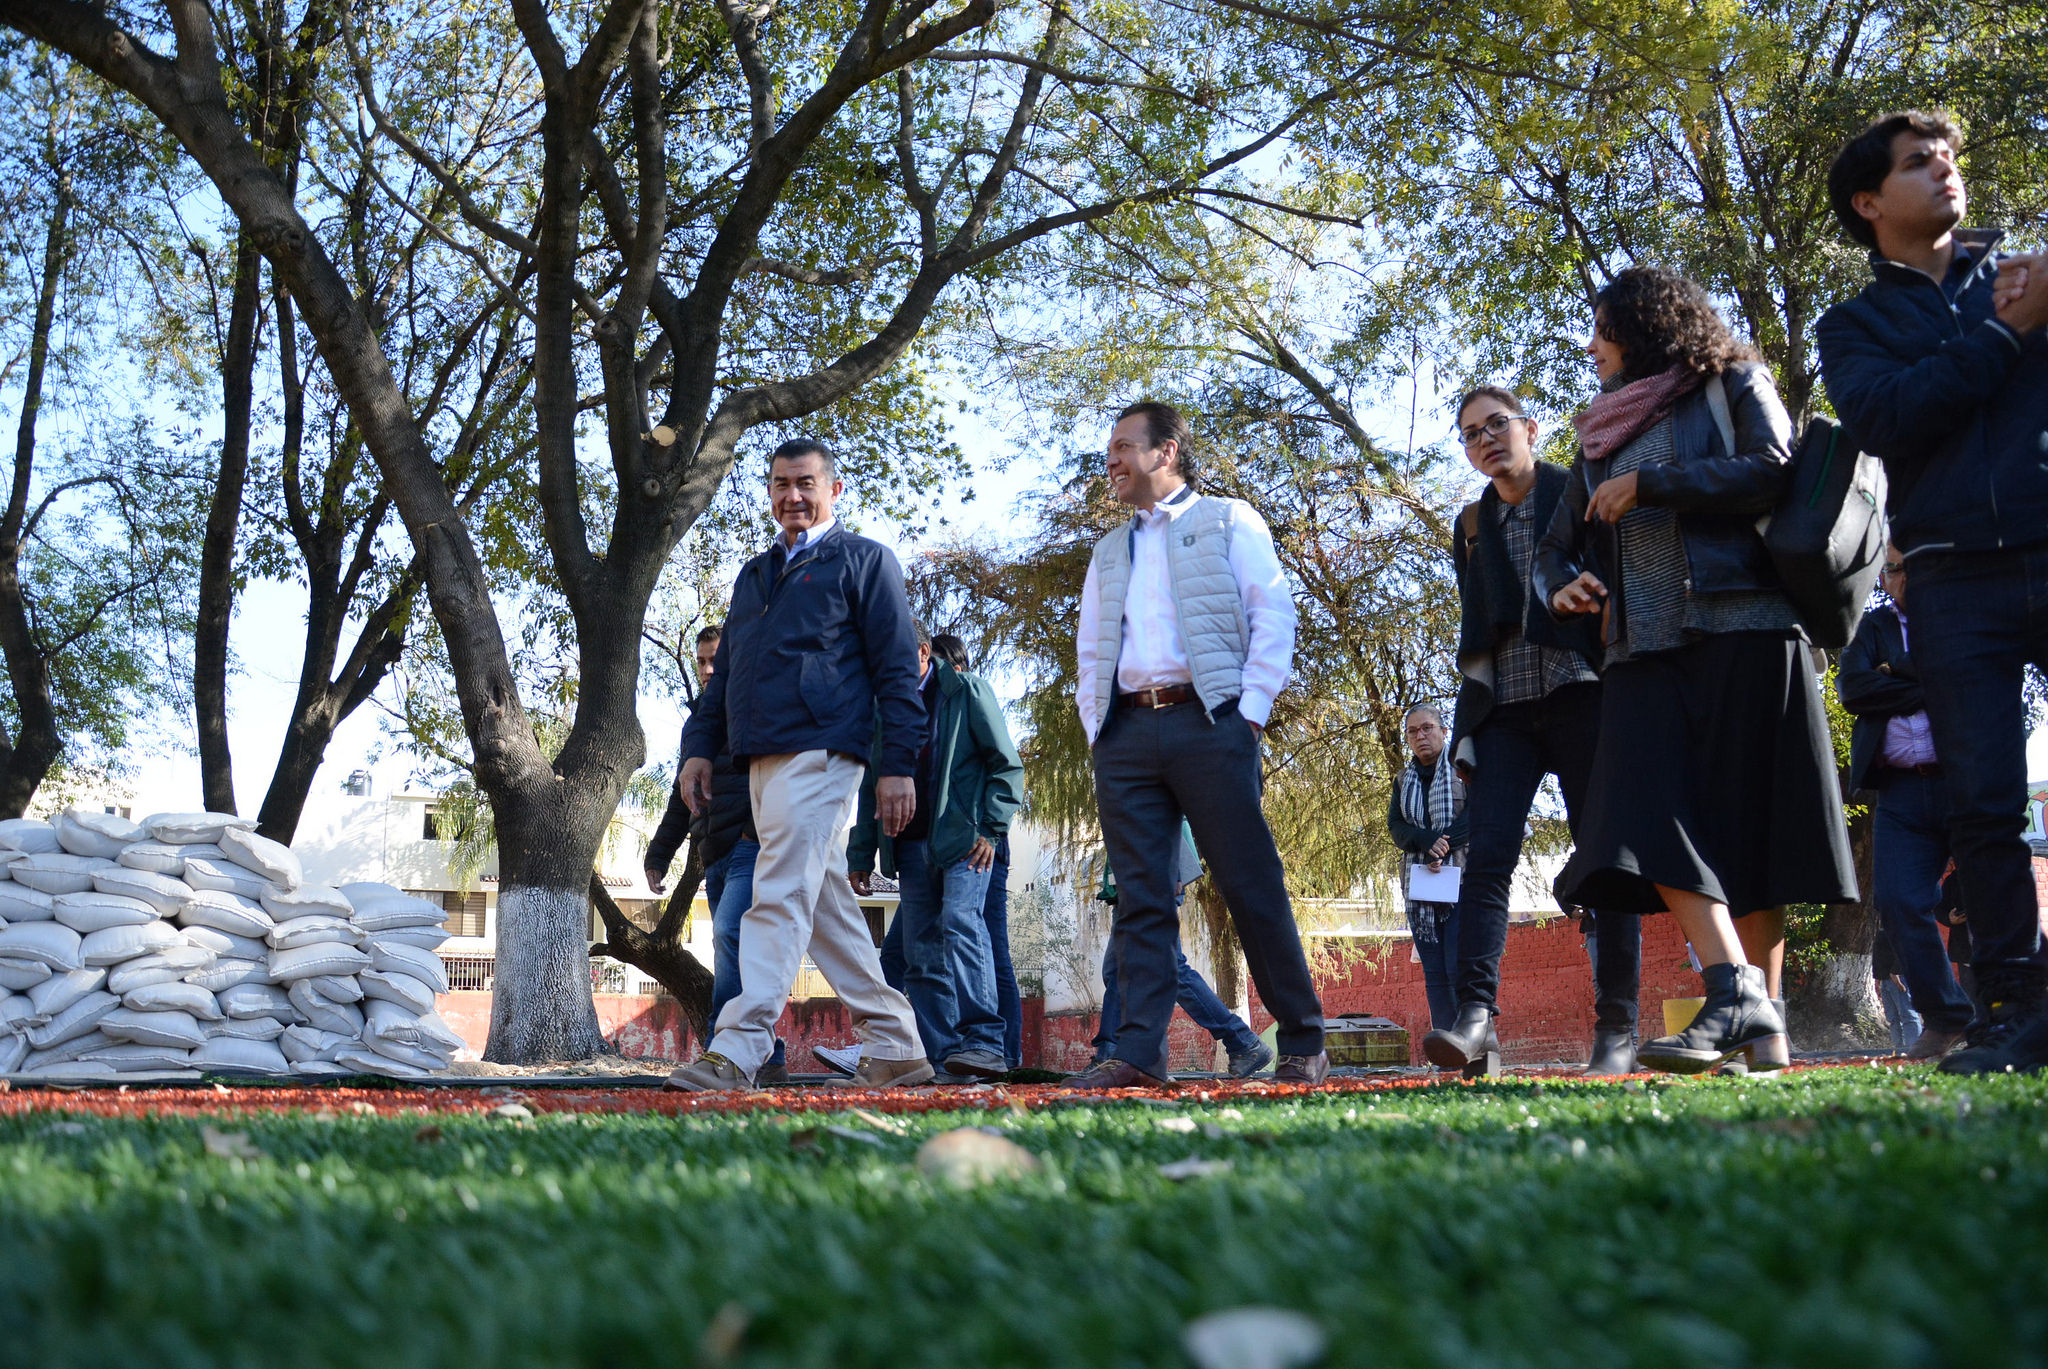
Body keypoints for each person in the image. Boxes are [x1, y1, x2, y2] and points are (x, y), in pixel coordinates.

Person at [1533, 265, 1857, 1075]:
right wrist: (1560, 585)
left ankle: (1766, 1030)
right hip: (1641, 649)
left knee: (1750, 836)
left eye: (1603, 328)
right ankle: (1731, 983)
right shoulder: (1597, 432)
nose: (1592, 345)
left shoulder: (1730, 380)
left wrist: (1654, 484)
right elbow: (1551, 549)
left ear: (1644, 326)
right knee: (1636, 810)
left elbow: (1775, 467)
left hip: (1747, 624)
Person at [1817, 110, 2048, 1075]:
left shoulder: (2025, 277)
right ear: (1871, 203)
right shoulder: (1854, 325)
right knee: (1986, 806)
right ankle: (2013, 1009)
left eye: (1951, 158)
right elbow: (1890, 415)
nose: (1946, 173)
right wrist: (2003, 338)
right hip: (1952, 577)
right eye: (1919, 164)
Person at [1070, 400, 1327, 1088]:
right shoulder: (1107, 548)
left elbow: (1271, 610)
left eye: (1124, 446)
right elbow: (1091, 644)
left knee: (1250, 883)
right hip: (1125, 736)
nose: (1113, 462)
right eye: (1108, 453)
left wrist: (1250, 711)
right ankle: (1138, 1052)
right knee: (1143, 899)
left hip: (1210, 723)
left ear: (1167, 451)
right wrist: (1099, 730)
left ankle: (1302, 1040)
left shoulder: (1227, 519)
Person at [666, 438, 932, 1092]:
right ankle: (896, 1042)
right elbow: (726, 674)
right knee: (818, 905)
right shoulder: (754, 575)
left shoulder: (865, 562)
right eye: (781, 483)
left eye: (806, 483)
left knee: (775, 892)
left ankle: (740, 1044)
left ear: (833, 490)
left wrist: (898, 765)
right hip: (759, 761)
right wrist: (698, 747)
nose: (793, 495)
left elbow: (898, 670)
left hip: (824, 751)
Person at [1430, 386, 1644, 1078]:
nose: (1486, 439)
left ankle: (1618, 1024)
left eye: (1497, 424)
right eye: (1471, 434)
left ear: (1530, 427)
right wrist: (1466, 729)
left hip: (1585, 694)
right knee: (1487, 857)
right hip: (1507, 711)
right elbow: (1479, 629)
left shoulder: (1580, 492)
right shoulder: (1470, 525)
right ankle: (1474, 1019)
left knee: (1605, 858)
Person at [846, 621, 1025, 1081]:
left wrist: (992, 828)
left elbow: (1006, 766)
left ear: (924, 653)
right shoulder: (886, 710)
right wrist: (861, 852)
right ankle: (946, 1058)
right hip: (909, 845)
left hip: (965, 842)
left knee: (962, 924)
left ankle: (984, 1041)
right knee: (922, 954)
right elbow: (872, 784)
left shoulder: (967, 692)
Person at [1836, 544, 1974, 1060]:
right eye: (1892, 569)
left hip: (1965, 785)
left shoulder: (1963, 617)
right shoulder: (1873, 629)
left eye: (1907, 566)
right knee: (1897, 901)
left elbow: (1970, 684)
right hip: (1899, 791)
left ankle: (2018, 1011)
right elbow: (1853, 688)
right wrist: (1927, 682)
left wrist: (1896, 674)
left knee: (1994, 899)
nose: (1900, 577)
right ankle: (1945, 1017)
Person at [645, 623, 787, 1081]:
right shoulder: (698, 723)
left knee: (731, 935)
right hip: (715, 852)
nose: (708, 670)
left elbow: (778, 768)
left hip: (752, 843)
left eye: (715, 660)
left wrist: (752, 830)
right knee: (730, 945)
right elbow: (680, 791)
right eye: (702, 661)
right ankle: (770, 1056)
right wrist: (659, 852)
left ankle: (725, 1049)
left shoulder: (758, 704)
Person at [1091, 823, 1274, 1077]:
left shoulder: (1145, 785)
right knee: (1118, 970)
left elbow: (1168, 807)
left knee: (1172, 969)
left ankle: (1243, 1041)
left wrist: (1174, 870)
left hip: (1154, 876)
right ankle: (1109, 1052)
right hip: (1132, 882)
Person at [1385, 704, 1468, 1036]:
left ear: (1444, 731)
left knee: (1458, 965)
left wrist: (1444, 843)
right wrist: (1424, 840)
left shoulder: (1463, 768)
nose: (1421, 736)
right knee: (1434, 970)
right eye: (1413, 731)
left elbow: (1480, 815)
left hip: (1463, 882)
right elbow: (1395, 827)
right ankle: (1447, 1044)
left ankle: (1471, 1039)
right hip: (1420, 887)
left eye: (1427, 728)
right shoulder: (1403, 779)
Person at [1872, 930, 1924, 1056]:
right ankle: (1900, 1051)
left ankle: (1914, 1052)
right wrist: (1878, 978)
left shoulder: (1900, 921)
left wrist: (1896, 971)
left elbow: (1905, 947)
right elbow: (1879, 952)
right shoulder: (1885, 923)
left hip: (1899, 977)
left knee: (1908, 1015)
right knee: (1893, 1018)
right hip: (1885, 978)